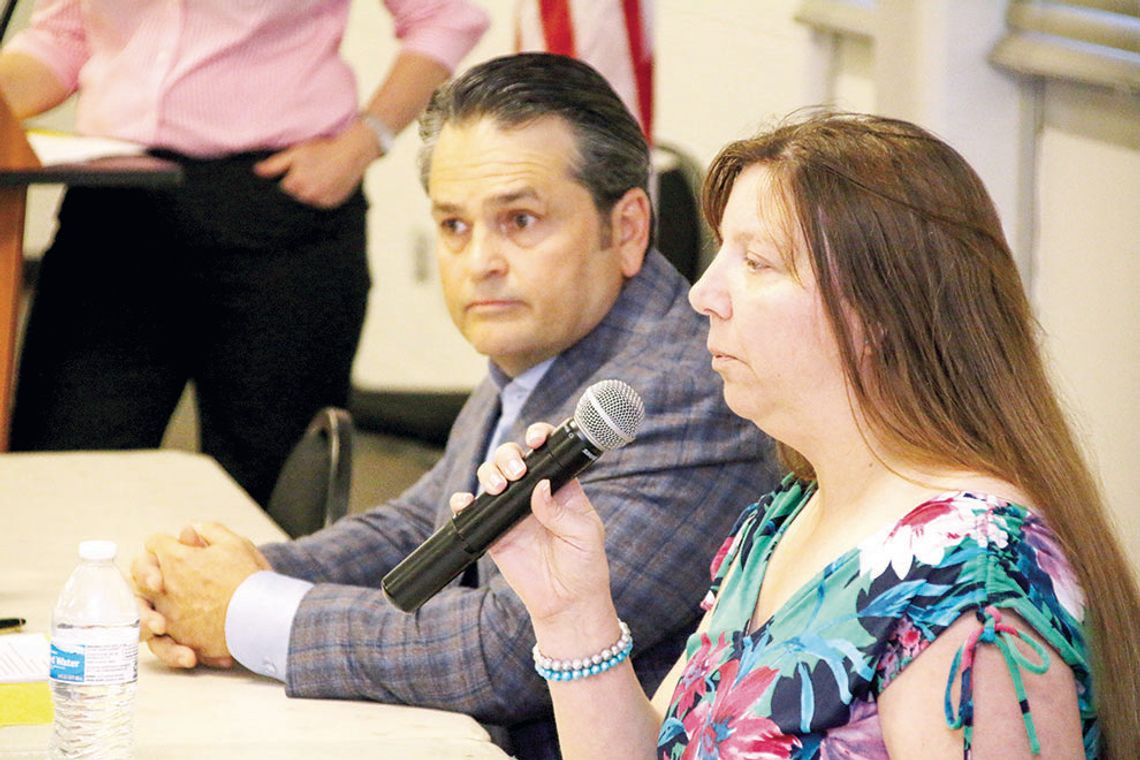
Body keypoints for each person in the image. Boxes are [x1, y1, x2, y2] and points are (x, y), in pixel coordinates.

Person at [131, 53, 777, 760]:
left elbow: (512, 648)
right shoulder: (553, 340)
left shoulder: (679, 396)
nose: (480, 262)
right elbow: (429, 520)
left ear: (625, 229)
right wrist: (234, 574)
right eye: (453, 226)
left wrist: (245, 610)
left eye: (520, 220)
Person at [463, 111, 1140, 758]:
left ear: (879, 310)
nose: (704, 293)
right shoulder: (785, 516)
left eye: (756, 262)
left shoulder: (972, 576)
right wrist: (572, 611)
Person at [0, 0, 489, 505]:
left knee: (265, 487)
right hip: (116, 201)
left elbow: (445, 17)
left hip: (276, 204)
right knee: (63, 472)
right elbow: (62, 38)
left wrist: (366, 140)